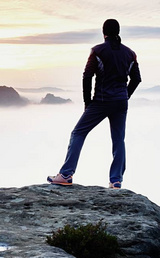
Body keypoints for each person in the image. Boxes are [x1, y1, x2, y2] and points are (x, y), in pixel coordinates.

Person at [47, 19, 141, 189]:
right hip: (120, 102)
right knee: (119, 140)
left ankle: (66, 174)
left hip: (101, 101)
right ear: (118, 32)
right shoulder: (130, 54)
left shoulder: (98, 51)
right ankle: (116, 180)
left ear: (103, 32)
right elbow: (136, 79)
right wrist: (125, 96)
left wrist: (87, 102)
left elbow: (87, 76)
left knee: (78, 133)